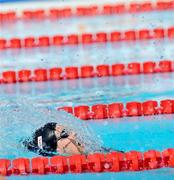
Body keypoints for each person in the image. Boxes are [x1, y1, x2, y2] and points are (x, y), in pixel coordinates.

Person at [24, 122, 124, 156]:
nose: (74, 134)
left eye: (67, 130)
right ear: (58, 149)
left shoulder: (100, 152)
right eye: (65, 134)